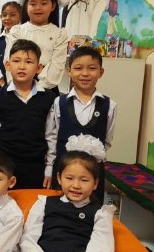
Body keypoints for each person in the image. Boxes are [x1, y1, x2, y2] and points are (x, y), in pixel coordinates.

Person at [0, 39, 57, 189]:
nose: (22, 66)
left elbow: (51, 135)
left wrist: (49, 167)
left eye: (29, 62)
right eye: (16, 61)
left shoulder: (49, 98)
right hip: (4, 166)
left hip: (36, 166)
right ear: (7, 65)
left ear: (39, 68)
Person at [46, 46, 116, 199]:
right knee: (60, 208)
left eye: (92, 68)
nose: (85, 73)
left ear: (101, 72)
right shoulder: (59, 102)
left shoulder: (109, 105)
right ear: (69, 71)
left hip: (92, 174)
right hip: (64, 172)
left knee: (92, 209)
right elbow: (52, 137)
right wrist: (49, 168)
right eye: (78, 68)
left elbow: (107, 141)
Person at [5, 0, 69, 92]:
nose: (38, 8)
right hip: (18, 86)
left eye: (44, 3)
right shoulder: (17, 31)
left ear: (53, 6)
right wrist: (18, 85)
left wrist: (37, 89)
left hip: (47, 89)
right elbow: (10, 59)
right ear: (26, 6)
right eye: (33, 4)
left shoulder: (59, 34)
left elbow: (57, 65)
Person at [0, 1, 22, 91]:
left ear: (20, 17)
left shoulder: (24, 37)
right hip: (0, 85)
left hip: (21, 84)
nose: (7, 18)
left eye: (12, 15)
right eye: (4, 15)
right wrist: (2, 82)